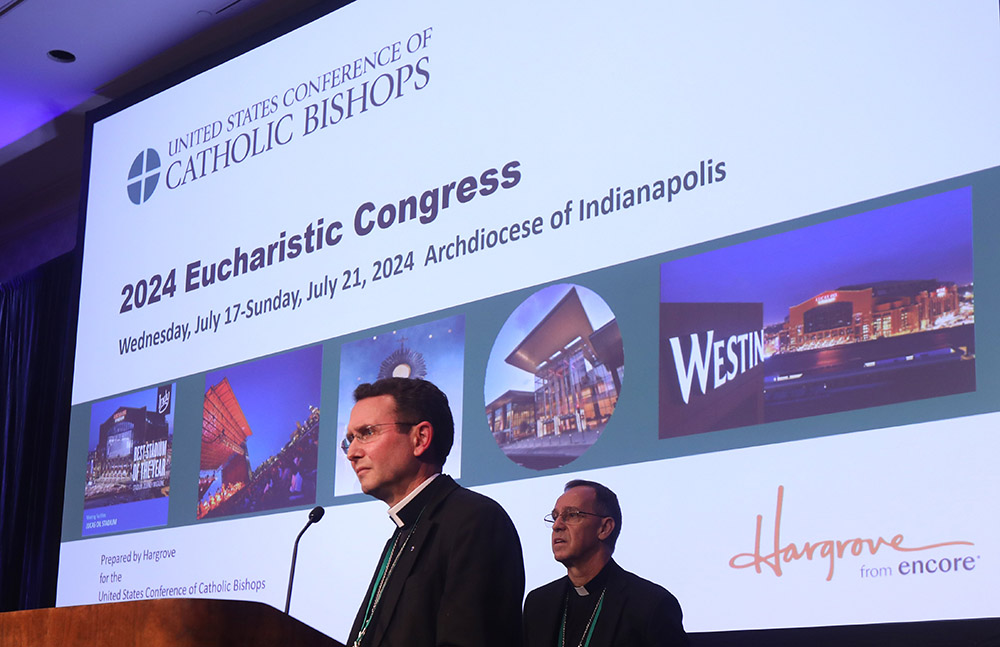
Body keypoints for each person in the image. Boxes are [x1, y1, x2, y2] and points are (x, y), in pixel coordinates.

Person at [343, 377, 525, 647]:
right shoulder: (402, 533)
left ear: (421, 438)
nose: (352, 453)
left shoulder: (476, 521)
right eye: (349, 439)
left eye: (367, 433)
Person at [522, 480, 687, 647]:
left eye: (572, 515)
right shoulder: (538, 604)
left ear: (605, 528)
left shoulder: (650, 605)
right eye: (556, 517)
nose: (556, 526)